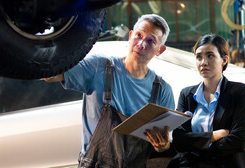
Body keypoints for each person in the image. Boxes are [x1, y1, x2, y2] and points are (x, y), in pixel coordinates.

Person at [43, 14, 175, 168]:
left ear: (160, 50)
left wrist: (164, 146)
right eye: (139, 35)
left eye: (151, 41)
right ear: (131, 36)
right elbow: (51, 74)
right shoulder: (99, 67)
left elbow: (167, 138)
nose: (141, 44)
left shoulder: (162, 91)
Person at [168, 34, 245, 168]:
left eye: (210, 55)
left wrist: (196, 145)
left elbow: (239, 140)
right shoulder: (187, 95)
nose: (203, 62)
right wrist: (215, 135)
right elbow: (179, 140)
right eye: (199, 57)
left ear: (224, 60)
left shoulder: (238, 91)